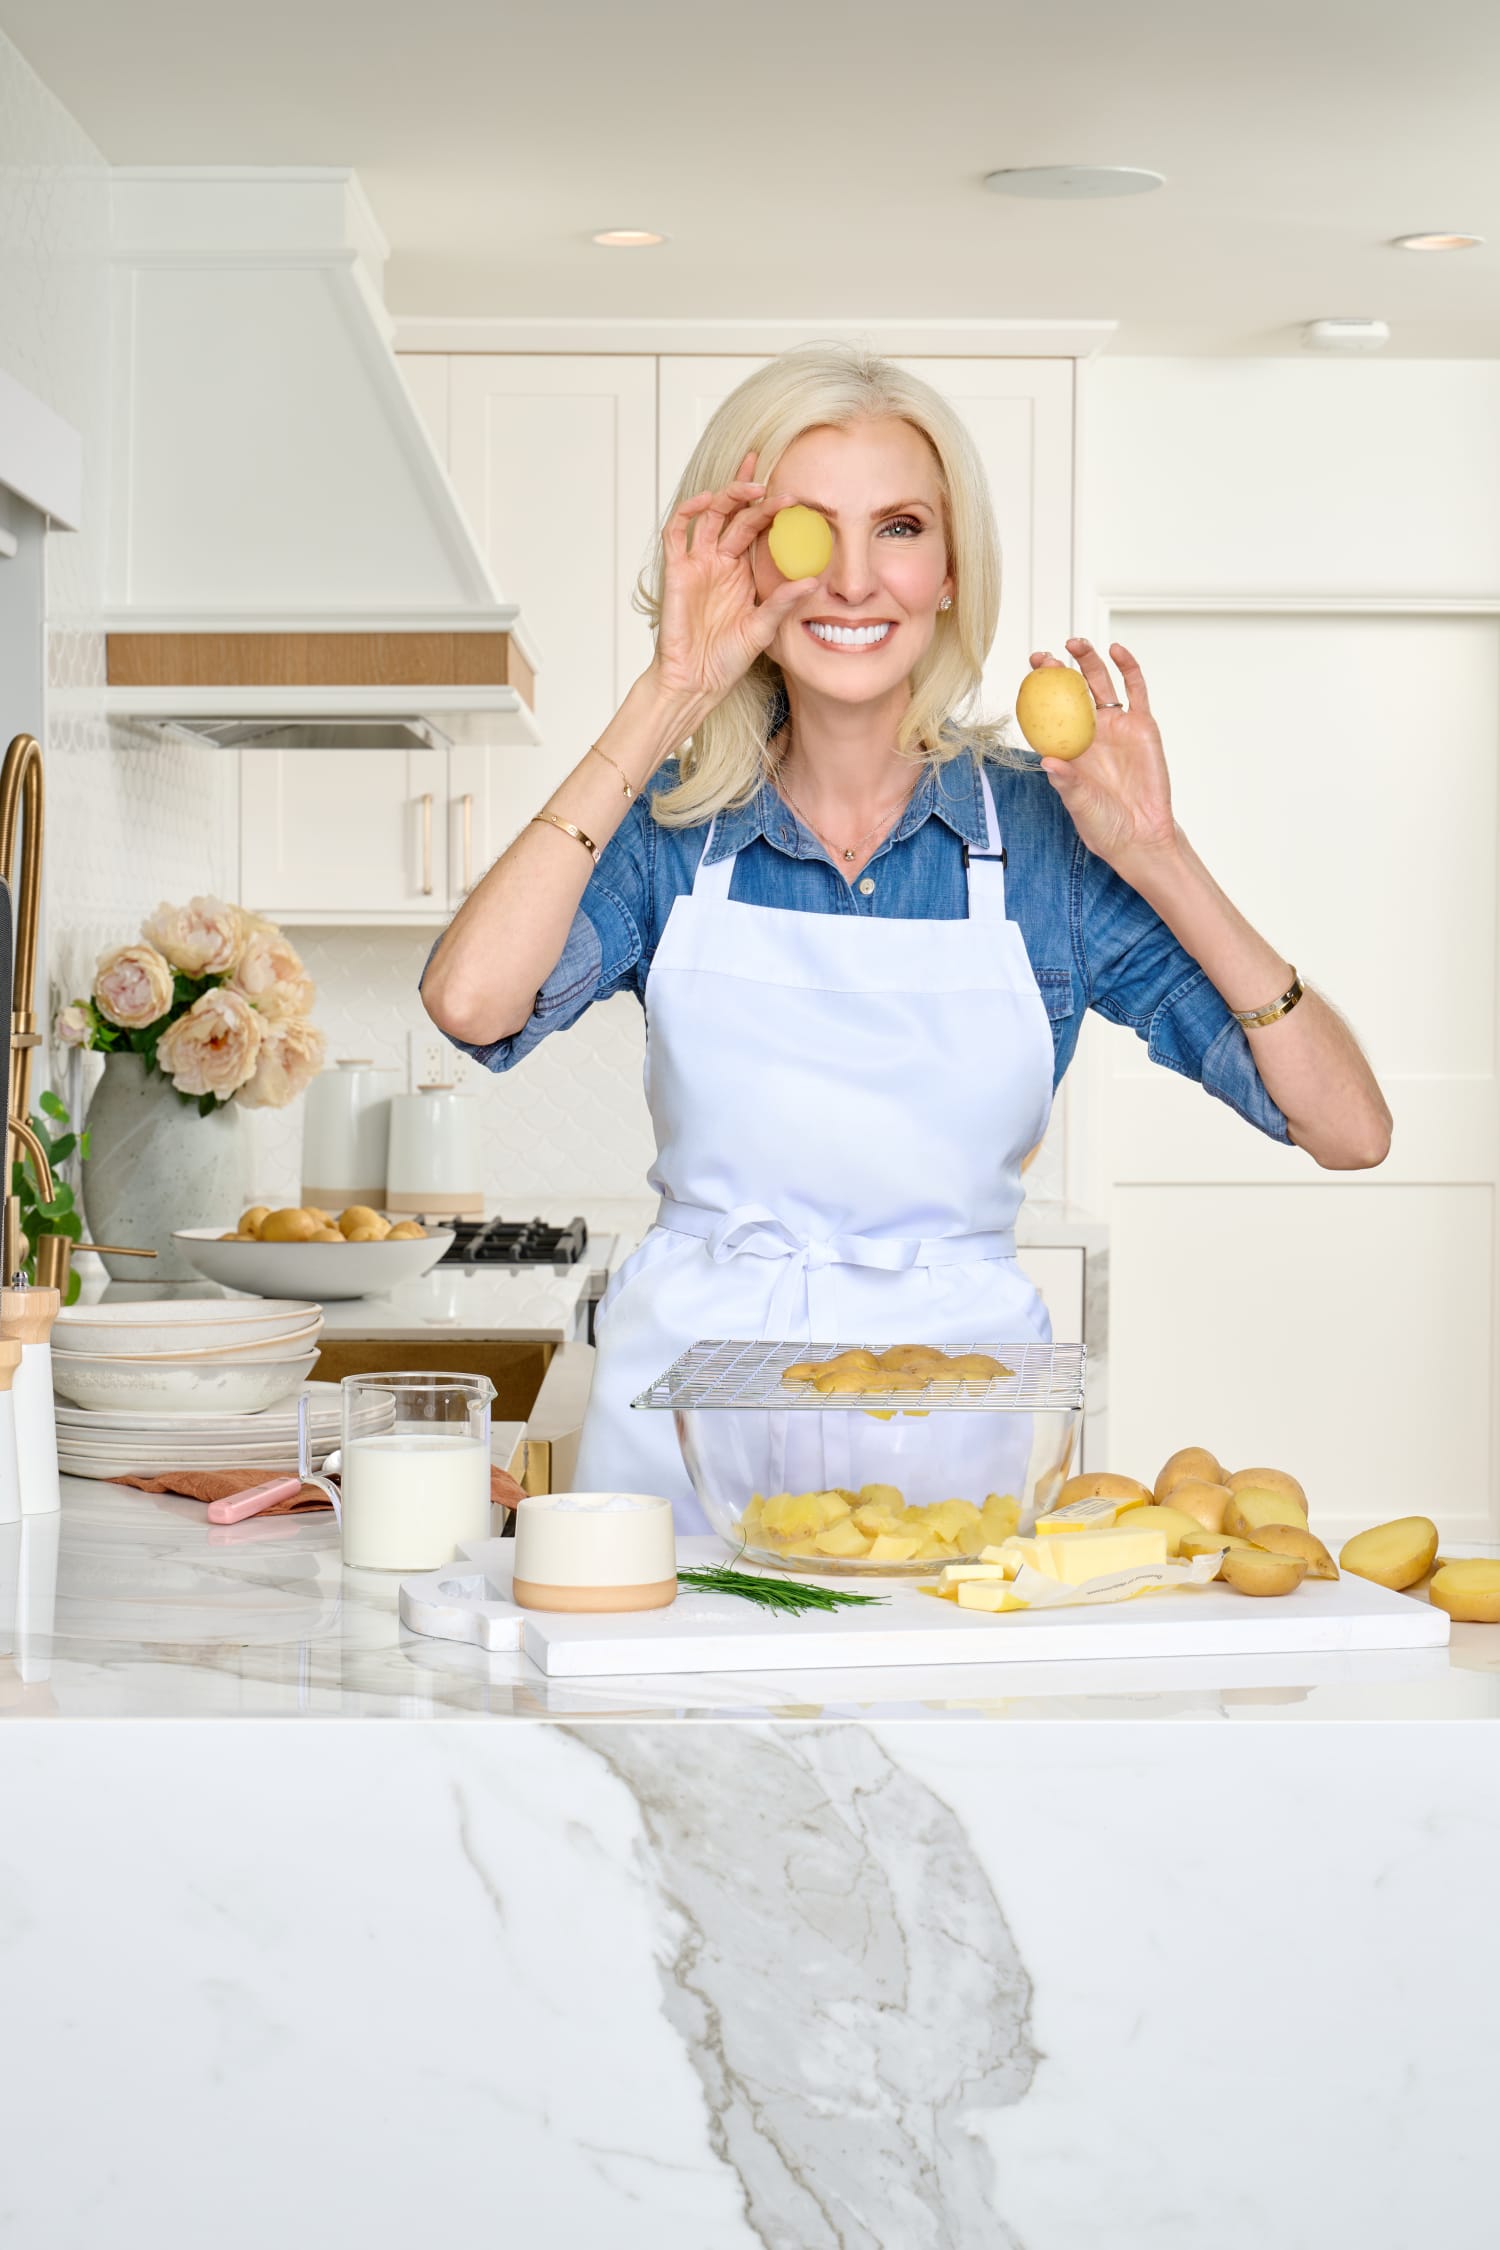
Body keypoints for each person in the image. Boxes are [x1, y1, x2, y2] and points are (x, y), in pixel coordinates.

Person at [421, 342, 1390, 1528]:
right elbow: (472, 1003)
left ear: (948, 573)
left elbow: (1347, 1128)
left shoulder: (1050, 836)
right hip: (689, 1434)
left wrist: (1160, 853)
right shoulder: (670, 830)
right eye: (806, 533)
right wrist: (671, 688)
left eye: (898, 528)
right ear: (745, 564)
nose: (852, 580)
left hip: (953, 1438)